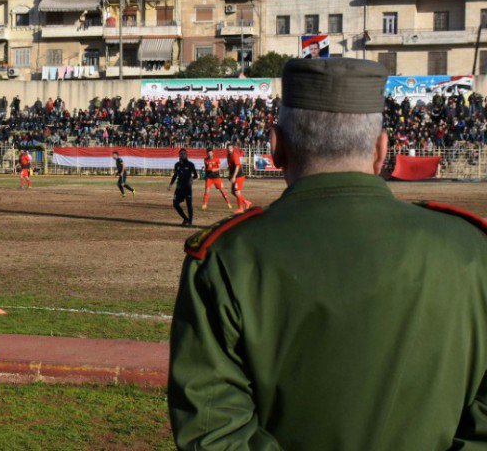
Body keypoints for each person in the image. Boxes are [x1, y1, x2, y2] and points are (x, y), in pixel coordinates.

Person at [169, 58, 487, 449]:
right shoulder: (472, 249)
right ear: (381, 149)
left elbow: (214, 432)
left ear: (276, 146)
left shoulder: (227, 258)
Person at [169, 148, 198, 227]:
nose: (182, 155)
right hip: (179, 188)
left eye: (184, 153)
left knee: (189, 205)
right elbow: (175, 175)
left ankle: (190, 222)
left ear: (186, 155)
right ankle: (185, 219)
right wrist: (171, 184)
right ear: (179, 155)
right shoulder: (177, 165)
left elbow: (196, 175)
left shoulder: (190, 164)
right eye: (181, 153)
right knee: (175, 204)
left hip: (187, 188)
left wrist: (192, 178)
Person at [225, 141, 252, 214]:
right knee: (233, 192)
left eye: (231, 148)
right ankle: (247, 202)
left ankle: (240, 208)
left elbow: (237, 166)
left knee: (237, 192)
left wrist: (233, 176)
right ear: (227, 149)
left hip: (239, 176)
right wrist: (230, 174)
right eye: (228, 148)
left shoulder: (234, 155)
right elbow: (232, 166)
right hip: (235, 175)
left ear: (233, 148)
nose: (229, 149)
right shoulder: (228, 155)